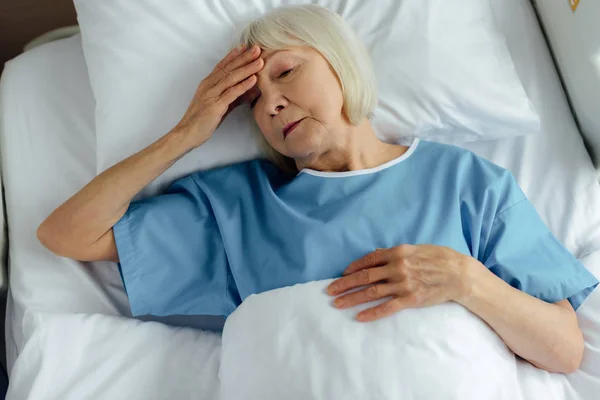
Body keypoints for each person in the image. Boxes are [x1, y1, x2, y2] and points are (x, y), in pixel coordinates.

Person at [37, 4, 597, 374]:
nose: (272, 103)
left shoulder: (469, 182)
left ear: (342, 64)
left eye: (285, 72)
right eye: (252, 101)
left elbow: (565, 349)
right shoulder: (240, 206)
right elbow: (66, 234)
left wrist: (466, 282)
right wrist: (186, 133)